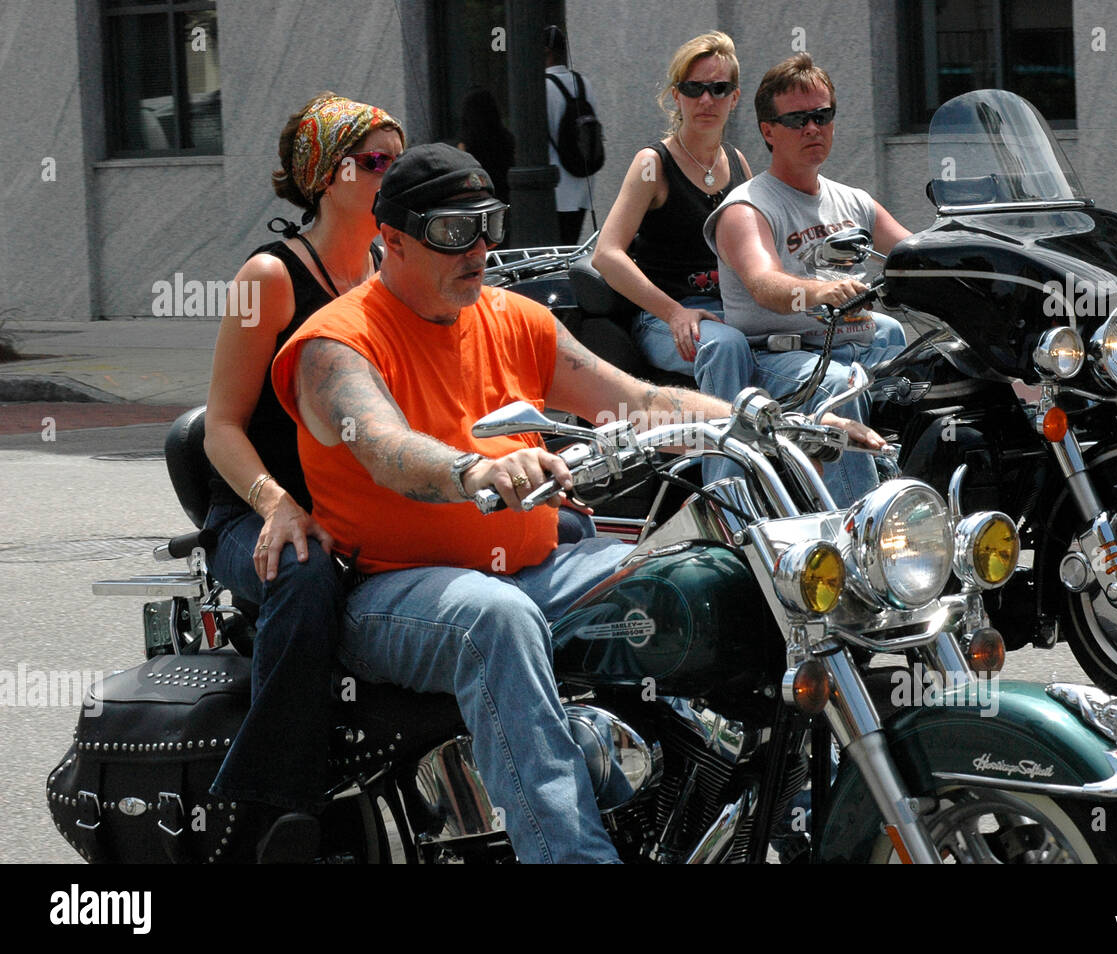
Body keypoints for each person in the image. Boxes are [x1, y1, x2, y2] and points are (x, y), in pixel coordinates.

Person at [269, 143, 877, 862]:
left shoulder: (513, 318)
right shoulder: (334, 344)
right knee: (495, 620)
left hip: (534, 567)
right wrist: (474, 471)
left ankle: (759, 811)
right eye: (452, 232)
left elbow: (639, 400)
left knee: (695, 583)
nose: (480, 249)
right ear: (391, 240)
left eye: (489, 224)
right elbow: (386, 448)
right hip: (390, 591)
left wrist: (770, 424)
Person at [202, 93, 404, 831]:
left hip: (359, 497)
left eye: (398, 160)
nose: (393, 174)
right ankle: (268, 807)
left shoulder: (392, 266)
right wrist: (275, 505)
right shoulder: (270, 277)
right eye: (376, 162)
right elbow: (220, 425)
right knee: (308, 573)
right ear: (327, 174)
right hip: (257, 510)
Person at [704, 53, 909, 505]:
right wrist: (821, 292)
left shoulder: (853, 201)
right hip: (779, 357)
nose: (813, 128)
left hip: (858, 342)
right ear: (768, 131)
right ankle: (857, 534)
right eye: (797, 119)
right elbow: (764, 284)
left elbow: (913, 258)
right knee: (841, 387)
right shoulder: (747, 208)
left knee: (935, 372)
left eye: (822, 116)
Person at [592, 30, 756, 396]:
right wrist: (674, 313)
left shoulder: (739, 163)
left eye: (719, 89)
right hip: (666, 317)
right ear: (676, 96)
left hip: (733, 311)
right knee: (725, 347)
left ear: (735, 98)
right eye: (694, 89)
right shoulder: (653, 164)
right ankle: (727, 453)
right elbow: (607, 254)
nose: (707, 100)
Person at [545, 24, 595, 244]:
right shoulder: (584, 83)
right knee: (571, 245)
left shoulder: (542, 86)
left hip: (556, 186)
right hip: (584, 180)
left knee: (551, 252)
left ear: (545, 52)